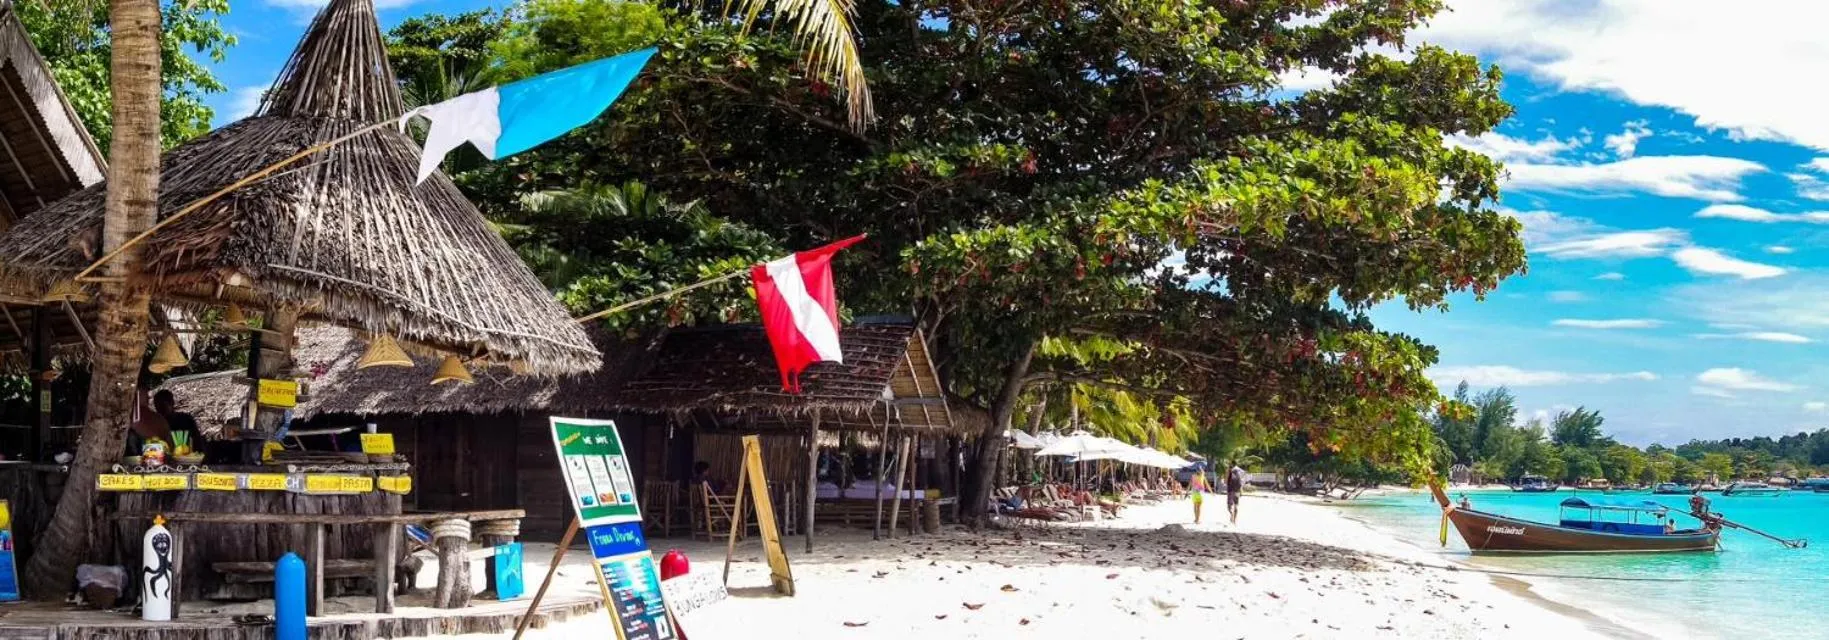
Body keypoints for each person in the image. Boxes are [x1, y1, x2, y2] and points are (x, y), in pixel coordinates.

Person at [1226, 460, 1247, 525]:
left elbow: (1226, 481)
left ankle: (1231, 515)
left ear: (1231, 464)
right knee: (1236, 505)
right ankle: (1234, 521)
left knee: (1229, 506)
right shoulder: (1240, 471)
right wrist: (1241, 489)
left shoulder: (1230, 470)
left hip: (1230, 490)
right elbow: (1242, 481)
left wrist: (1227, 472)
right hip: (1237, 490)